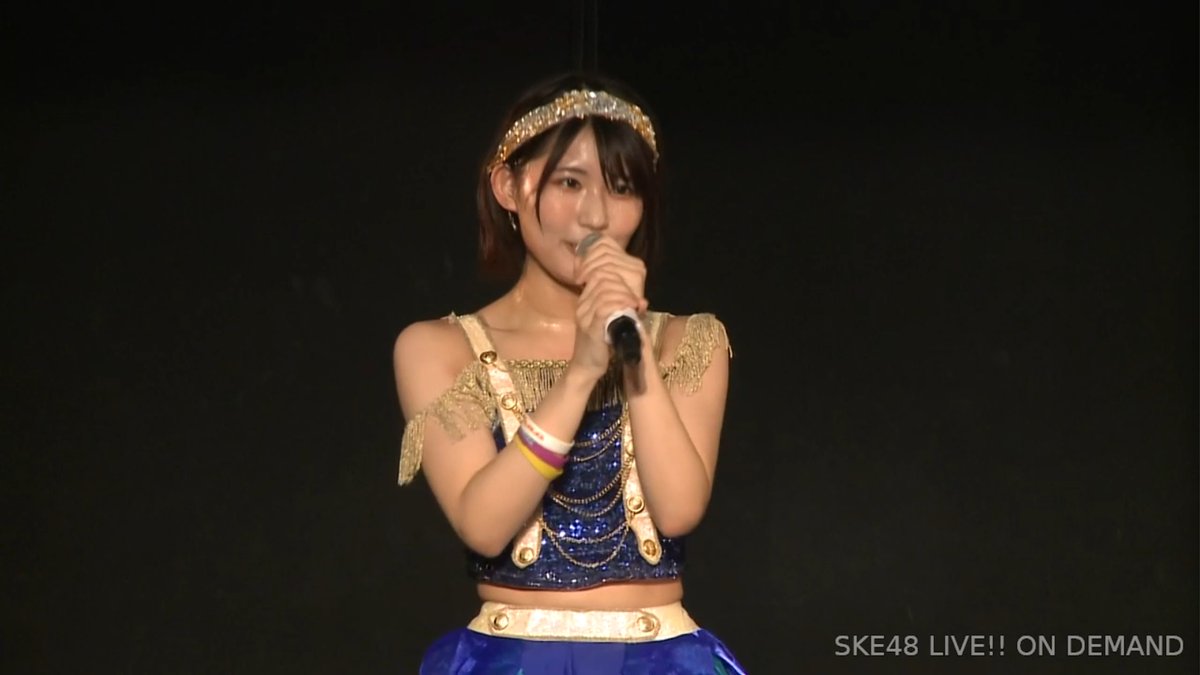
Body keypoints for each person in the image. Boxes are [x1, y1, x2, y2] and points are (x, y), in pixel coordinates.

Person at [393, 72, 745, 674]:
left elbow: (679, 508)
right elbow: (483, 525)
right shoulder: (439, 348)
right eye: (570, 182)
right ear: (508, 186)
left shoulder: (688, 341)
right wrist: (580, 373)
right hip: (511, 657)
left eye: (622, 188)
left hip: (662, 656)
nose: (596, 216)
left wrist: (631, 349)